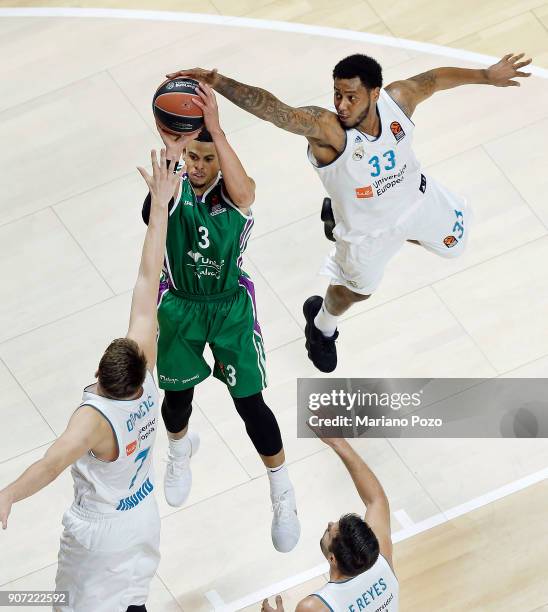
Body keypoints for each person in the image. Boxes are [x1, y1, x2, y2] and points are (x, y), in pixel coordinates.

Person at [166, 52, 532, 373]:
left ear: (375, 93)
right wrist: (218, 81)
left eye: (351, 97)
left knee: (455, 245)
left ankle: (343, 210)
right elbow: (277, 112)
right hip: (366, 234)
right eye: (337, 94)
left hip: (419, 199)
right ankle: (321, 326)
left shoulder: (400, 99)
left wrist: (486, 75)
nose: (342, 104)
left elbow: (435, 79)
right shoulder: (329, 130)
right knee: (355, 293)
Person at [0, 147, 190, 612]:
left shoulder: (92, 421)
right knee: (132, 602)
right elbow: (149, 277)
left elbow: (49, 465)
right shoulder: (144, 365)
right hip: (142, 516)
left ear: (103, 380)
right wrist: (161, 206)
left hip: (101, 531)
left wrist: (6, 496)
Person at [142, 82, 300, 553]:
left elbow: (247, 191)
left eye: (207, 160)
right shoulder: (173, 186)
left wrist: (216, 130)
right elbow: (154, 214)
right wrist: (173, 152)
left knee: (250, 404)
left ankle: (282, 490)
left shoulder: (232, 197)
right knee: (177, 396)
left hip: (229, 308)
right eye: (194, 157)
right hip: (180, 306)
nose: (198, 166)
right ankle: (178, 450)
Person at [261, 436, 398, 612]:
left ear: (333, 558)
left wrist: (337, 441)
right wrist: (337, 441)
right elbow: (376, 498)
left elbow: (376, 499)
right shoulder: (381, 563)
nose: (329, 523)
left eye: (330, 532)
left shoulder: (315, 607)